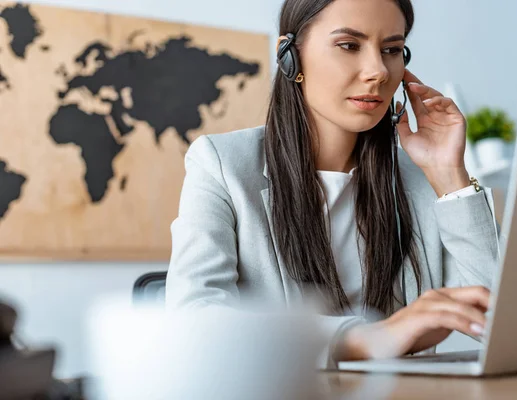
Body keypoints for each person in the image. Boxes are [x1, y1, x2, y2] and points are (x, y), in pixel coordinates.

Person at [166, 0, 499, 368]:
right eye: (349, 45)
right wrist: (365, 339)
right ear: (290, 56)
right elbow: (194, 320)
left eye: (391, 50)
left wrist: (449, 175)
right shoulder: (221, 163)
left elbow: (497, 313)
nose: (377, 71)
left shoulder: (419, 179)